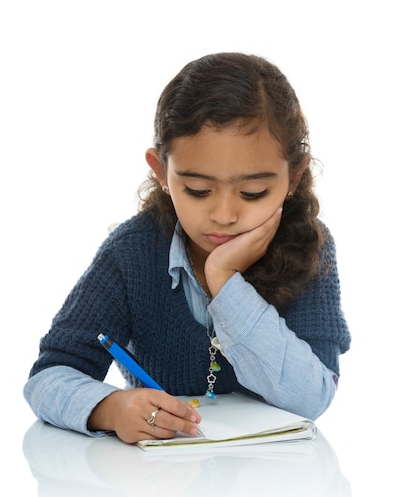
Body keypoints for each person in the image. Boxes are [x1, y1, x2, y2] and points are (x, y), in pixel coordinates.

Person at [24, 52, 351, 445]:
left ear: (294, 175)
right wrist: (112, 408)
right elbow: (49, 376)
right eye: (197, 190)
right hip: (164, 486)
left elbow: (312, 396)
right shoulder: (134, 252)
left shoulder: (309, 247)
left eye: (253, 193)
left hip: (274, 488)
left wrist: (225, 282)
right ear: (161, 172)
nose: (224, 214)